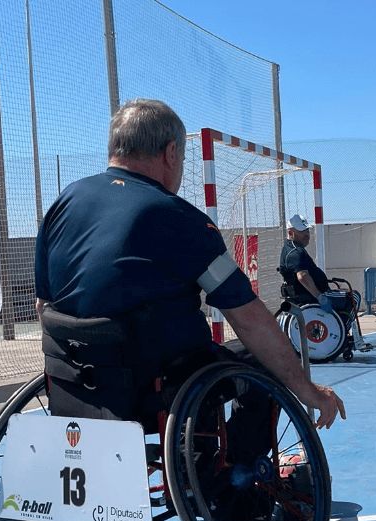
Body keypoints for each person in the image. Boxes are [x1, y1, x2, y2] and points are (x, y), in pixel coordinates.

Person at [34, 98, 345, 430]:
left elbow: (43, 305)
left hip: (72, 383)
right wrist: (307, 390)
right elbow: (249, 319)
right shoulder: (178, 218)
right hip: (155, 390)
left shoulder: (63, 205)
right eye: (181, 158)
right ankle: (235, 475)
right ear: (170, 153)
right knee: (258, 359)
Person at [279, 214, 334, 312]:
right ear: (291, 233)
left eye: (307, 231)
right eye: (302, 231)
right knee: (351, 299)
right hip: (308, 299)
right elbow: (302, 276)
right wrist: (320, 297)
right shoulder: (295, 252)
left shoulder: (292, 249)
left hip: (308, 296)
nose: (307, 235)